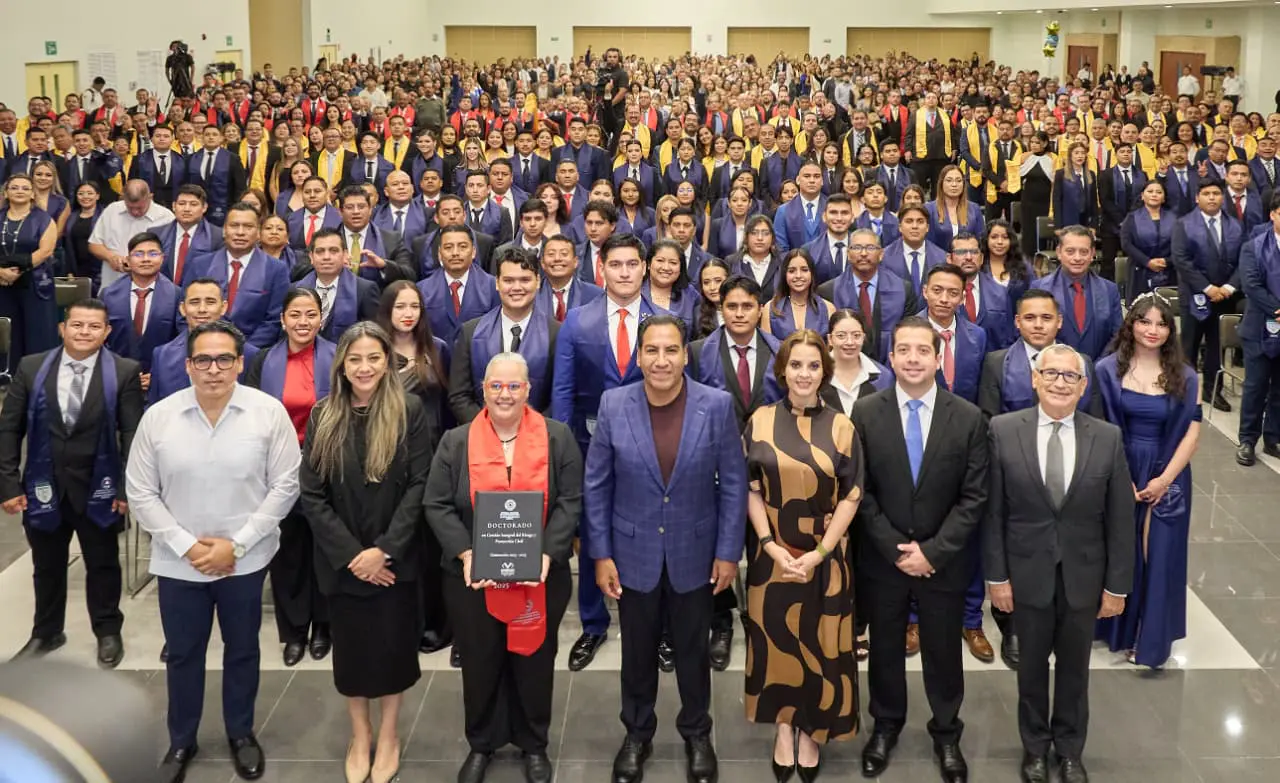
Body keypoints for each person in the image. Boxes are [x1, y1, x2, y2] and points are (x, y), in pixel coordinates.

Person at [126, 321, 301, 783]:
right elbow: (141, 493)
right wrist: (187, 547)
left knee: (242, 650)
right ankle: (182, 739)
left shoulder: (268, 413)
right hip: (177, 562)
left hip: (246, 559)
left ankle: (240, 734)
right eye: (203, 360)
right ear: (187, 365)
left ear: (240, 363)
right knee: (184, 653)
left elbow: (285, 486)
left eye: (225, 359)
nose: (214, 369)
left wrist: (236, 545)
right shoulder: (159, 417)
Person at [585, 314, 746, 783]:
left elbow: (734, 485)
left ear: (685, 356)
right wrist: (601, 554)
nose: (661, 360)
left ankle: (697, 732)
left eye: (671, 350)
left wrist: (728, 551)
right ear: (639, 356)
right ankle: (637, 733)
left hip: (696, 553)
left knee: (694, 653)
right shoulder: (614, 404)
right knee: (636, 655)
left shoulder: (715, 405)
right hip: (631, 556)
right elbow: (596, 486)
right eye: (651, 351)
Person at [423, 352, 582, 783]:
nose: (505, 394)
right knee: (480, 661)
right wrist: (466, 553)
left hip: (541, 576)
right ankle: (482, 742)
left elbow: (570, 500)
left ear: (528, 389)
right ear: (483, 390)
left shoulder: (557, 436)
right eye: (496, 386)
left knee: (534, 663)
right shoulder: (456, 442)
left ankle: (534, 743)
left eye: (514, 386)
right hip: (472, 580)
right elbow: (435, 504)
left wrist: (548, 552)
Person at [985, 343, 1136, 783]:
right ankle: (1034, 748)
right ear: (1034, 379)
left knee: (1075, 672)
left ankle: (1070, 749)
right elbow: (993, 512)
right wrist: (997, 577)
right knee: (1030, 670)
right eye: (1050, 374)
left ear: (1084, 386)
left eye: (1070, 376)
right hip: (1025, 574)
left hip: (1083, 578)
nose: (1059, 383)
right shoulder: (1002, 429)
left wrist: (1116, 587)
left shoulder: (1107, 438)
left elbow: (1121, 521)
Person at [852, 316, 987, 783]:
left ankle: (947, 732)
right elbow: (859, 490)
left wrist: (934, 551)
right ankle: (885, 726)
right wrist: (893, 547)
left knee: (944, 653)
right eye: (903, 350)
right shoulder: (867, 412)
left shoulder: (967, 418)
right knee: (885, 648)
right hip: (883, 560)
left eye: (922, 351)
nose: (912, 359)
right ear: (890, 358)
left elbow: (974, 498)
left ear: (937, 357)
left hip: (942, 564)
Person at [299, 321, 434, 783]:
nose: (364, 367)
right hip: (344, 563)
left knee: (393, 652)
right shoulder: (323, 414)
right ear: (342, 365)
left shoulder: (409, 410)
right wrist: (355, 556)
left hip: (394, 562)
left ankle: (390, 735)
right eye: (355, 359)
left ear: (387, 362)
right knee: (353, 656)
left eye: (373, 358)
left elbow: (421, 485)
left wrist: (385, 552)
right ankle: (361, 736)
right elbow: (311, 495)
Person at [741, 329, 863, 781]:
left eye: (813, 365)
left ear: (824, 372)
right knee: (777, 645)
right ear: (782, 370)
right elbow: (749, 490)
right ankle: (784, 728)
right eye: (796, 365)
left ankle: (813, 730)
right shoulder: (759, 420)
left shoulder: (842, 425)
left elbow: (851, 496)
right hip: (771, 556)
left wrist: (821, 551)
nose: (804, 374)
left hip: (826, 558)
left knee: (823, 647)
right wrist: (770, 544)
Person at [0, 298, 143, 667]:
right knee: (46, 566)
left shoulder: (123, 371)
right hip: (42, 486)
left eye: (94, 326)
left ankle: (108, 631)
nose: (84, 332)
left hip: (100, 487)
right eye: (77, 325)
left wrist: (128, 491)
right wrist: (9, 485)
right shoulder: (31, 368)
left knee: (103, 565)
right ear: (63, 328)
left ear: (107, 332)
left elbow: (132, 433)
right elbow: (9, 428)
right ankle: (46, 632)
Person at [552, 233, 665, 671]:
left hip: (651, 448)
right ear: (602, 268)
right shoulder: (577, 322)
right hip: (587, 444)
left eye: (631, 264)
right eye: (614, 264)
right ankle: (594, 625)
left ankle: (657, 627)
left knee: (652, 533)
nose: (623, 272)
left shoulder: (664, 320)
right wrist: (563, 451)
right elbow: (562, 390)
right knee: (593, 528)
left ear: (644, 267)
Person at [1094, 294, 1201, 670]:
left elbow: (1191, 431)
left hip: (1167, 471)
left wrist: (1164, 480)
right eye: (1145, 322)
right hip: (1119, 466)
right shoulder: (1107, 370)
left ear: (1170, 330)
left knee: (1158, 554)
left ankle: (1150, 638)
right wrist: (1119, 477)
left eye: (1161, 324)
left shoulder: (1186, 375)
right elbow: (1099, 428)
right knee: (1121, 551)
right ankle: (1116, 630)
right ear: (1131, 324)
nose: (1152, 330)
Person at [242, 287, 336, 667]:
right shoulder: (264, 362)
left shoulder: (337, 356)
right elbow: (248, 415)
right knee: (288, 553)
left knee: (325, 550)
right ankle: (294, 631)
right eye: (295, 314)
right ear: (282, 319)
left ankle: (324, 627)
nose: (303, 322)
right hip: (279, 469)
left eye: (310, 314)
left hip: (326, 466)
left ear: (321, 318)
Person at [375, 280, 454, 661]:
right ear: (387, 310)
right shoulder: (374, 352)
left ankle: (437, 624)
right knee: (400, 544)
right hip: (391, 459)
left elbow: (450, 406)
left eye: (415, 307)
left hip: (435, 457)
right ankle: (403, 623)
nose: (408, 313)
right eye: (400, 306)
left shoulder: (436, 349)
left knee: (432, 547)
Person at [450, 247, 559, 420]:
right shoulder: (471, 332)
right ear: (497, 283)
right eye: (508, 280)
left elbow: (560, 396)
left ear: (538, 282)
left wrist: (531, 430)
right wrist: (488, 429)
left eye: (525, 280)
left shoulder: (557, 333)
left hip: (538, 436)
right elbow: (459, 395)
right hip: (482, 435)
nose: (517, 287)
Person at [1171, 180, 1242, 412]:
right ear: (1197, 198)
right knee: (1189, 346)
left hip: (1225, 296)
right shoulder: (1184, 224)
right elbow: (1181, 260)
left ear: (1223, 197)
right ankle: (1184, 392)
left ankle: (1214, 390)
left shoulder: (1236, 225)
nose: (1211, 197)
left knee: (1217, 347)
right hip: (1195, 296)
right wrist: (1207, 288)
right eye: (1206, 193)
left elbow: (1244, 260)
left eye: (1216, 193)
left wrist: (1229, 287)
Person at [182, 201, 291, 348]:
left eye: (248, 227)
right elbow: (183, 313)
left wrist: (239, 351)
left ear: (258, 232)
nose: (240, 232)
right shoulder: (200, 265)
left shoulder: (276, 269)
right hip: (202, 350)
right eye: (234, 226)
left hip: (252, 354)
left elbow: (274, 321)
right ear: (224, 230)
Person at [101, 231, 182, 393]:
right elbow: (101, 340)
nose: (146, 259)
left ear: (162, 258)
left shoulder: (177, 295)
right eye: (139, 254)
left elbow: (180, 341)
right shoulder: (108, 294)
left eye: (153, 253)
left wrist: (160, 373)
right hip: (117, 379)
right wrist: (120, 372)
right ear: (128, 260)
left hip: (162, 380)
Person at [1032, 226, 1123, 360]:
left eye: (1084, 252)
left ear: (1092, 254)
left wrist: (1096, 368)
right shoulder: (1039, 289)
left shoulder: (1109, 290)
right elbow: (1035, 335)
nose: (1077, 258)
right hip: (1054, 369)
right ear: (1059, 252)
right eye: (1070, 251)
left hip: (1098, 370)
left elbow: (1118, 336)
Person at [1238, 194, 1280, 465]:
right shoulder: (1253, 247)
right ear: (1273, 214)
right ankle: (1247, 440)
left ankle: (1273, 437)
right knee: (1255, 387)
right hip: (1259, 328)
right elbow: (1251, 285)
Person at [0, 173, 61, 360]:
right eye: (14, 187)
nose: (20, 191)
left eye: (25, 188)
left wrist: (17, 271)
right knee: (8, 335)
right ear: (6, 192)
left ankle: (38, 378)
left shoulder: (44, 219)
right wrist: (2, 272)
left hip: (35, 285)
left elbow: (45, 251)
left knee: (37, 334)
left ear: (33, 194)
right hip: (2, 286)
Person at [296, 228, 381, 341]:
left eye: (333, 250)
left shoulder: (364, 289)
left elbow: (373, 337)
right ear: (311, 257)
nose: (326, 257)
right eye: (320, 251)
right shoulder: (296, 290)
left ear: (345, 255)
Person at [1120, 180, 1175, 303]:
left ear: (1164, 198)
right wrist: (1147, 262)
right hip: (1139, 270)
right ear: (1142, 196)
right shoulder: (1131, 218)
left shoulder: (1175, 218)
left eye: (1158, 192)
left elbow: (1180, 245)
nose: (1154, 195)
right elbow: (1126, 244)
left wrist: (1167, 261)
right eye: (1150, 191)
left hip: (1168, 270)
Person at [157, 185, 223, 283]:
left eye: (193, 204)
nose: (187, 209)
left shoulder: (217, 236)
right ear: (174, 206)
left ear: (204, 207)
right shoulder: (157, 233)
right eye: (182, 203)